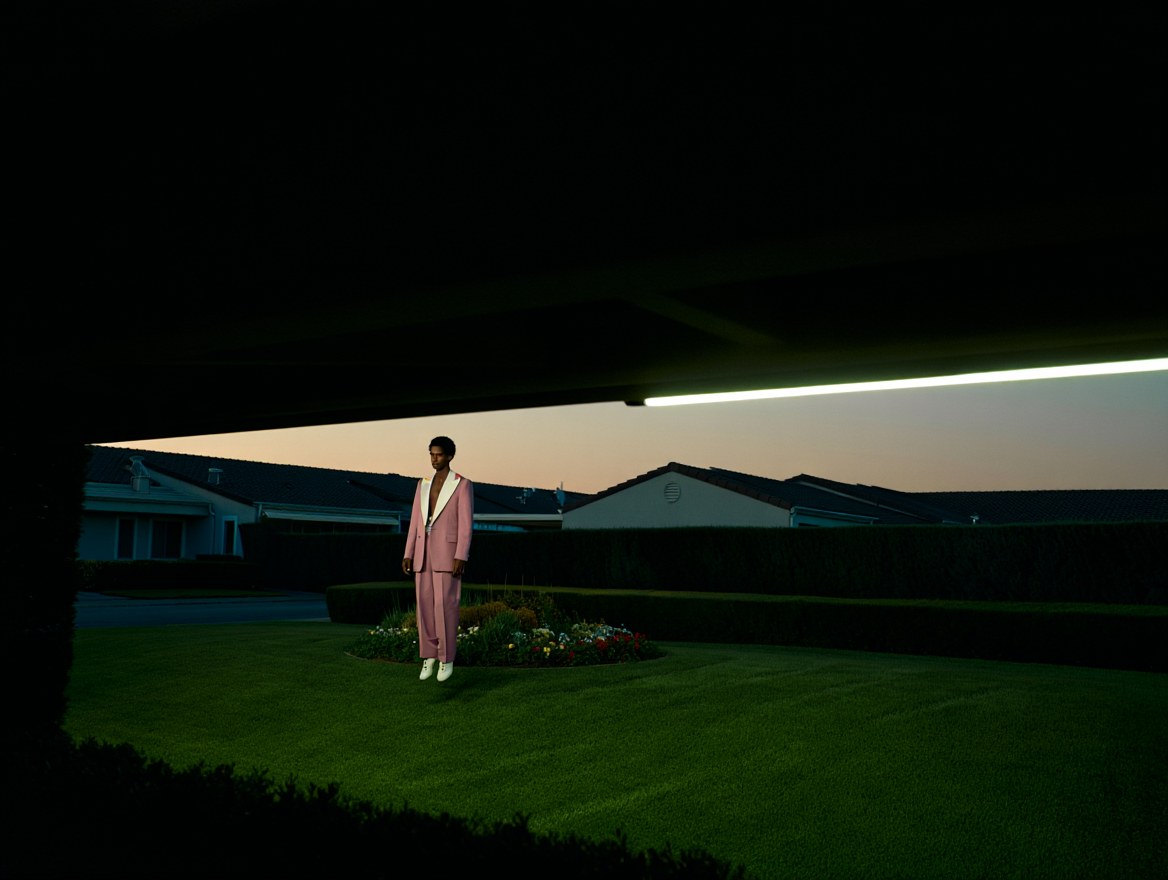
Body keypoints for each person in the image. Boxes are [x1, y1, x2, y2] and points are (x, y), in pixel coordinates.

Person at [402, 436, 473, 682]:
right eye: (431, 454)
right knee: (424, 606)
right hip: (423, 552)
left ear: (450, 456)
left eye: (439, 454)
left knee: (446, 606)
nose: (434, 458)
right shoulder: (422, 484)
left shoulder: (462, 484)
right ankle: (429, 655)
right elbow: (414, 522)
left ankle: (447, 659)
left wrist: (461, 555)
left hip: (448, 554)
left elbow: (466, 525)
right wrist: (408, 552)